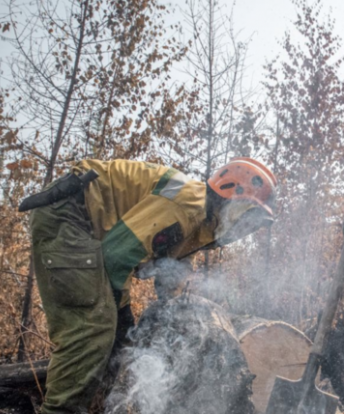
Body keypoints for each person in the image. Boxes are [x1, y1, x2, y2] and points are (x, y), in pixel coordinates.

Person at [24, 157, 277, 414]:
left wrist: (174, 312)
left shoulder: (201, 224)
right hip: (71, 214)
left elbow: (172, 274)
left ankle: (98, 405)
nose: (246, 231)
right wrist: (124, 317)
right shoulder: (188, 205)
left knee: (112, 340)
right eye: (248, 219)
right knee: (94, 325)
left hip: (84, 224)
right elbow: (116, 257)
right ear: (231, 196)